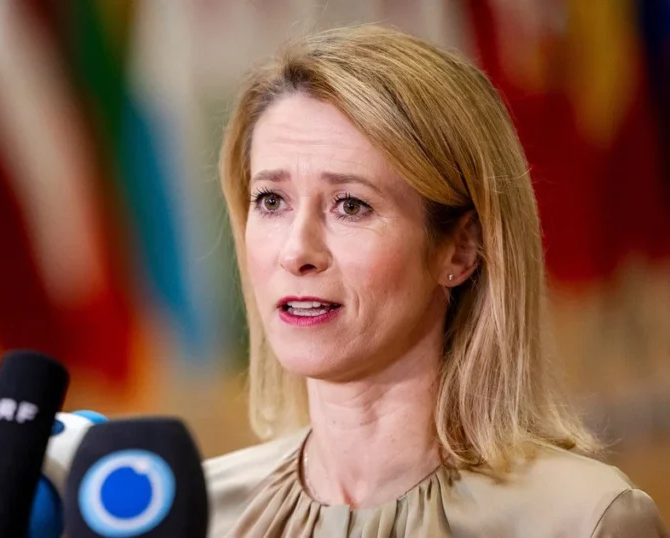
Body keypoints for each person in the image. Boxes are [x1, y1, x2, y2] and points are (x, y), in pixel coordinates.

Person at [205, 24, 669, 537]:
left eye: (350, 205)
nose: (296, 252)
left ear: (461, 247)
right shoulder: (193, 513)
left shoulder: (585, 520)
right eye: (271, 200)